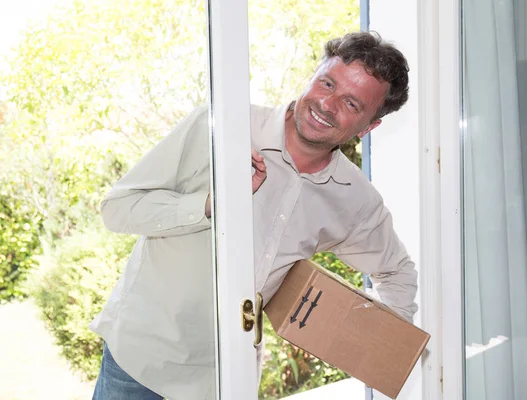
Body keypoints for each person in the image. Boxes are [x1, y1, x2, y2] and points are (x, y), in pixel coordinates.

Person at [90, 31, 418, 400]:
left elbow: (396, 271)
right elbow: (117, 208)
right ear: (314, 75)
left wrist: (382, 347)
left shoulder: (354, 198)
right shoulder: (220, 130)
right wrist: (211, 206)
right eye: (327, 83)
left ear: (370, 126)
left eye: (352, 104)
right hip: (141, 361)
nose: (327, 104)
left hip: (228, 377)